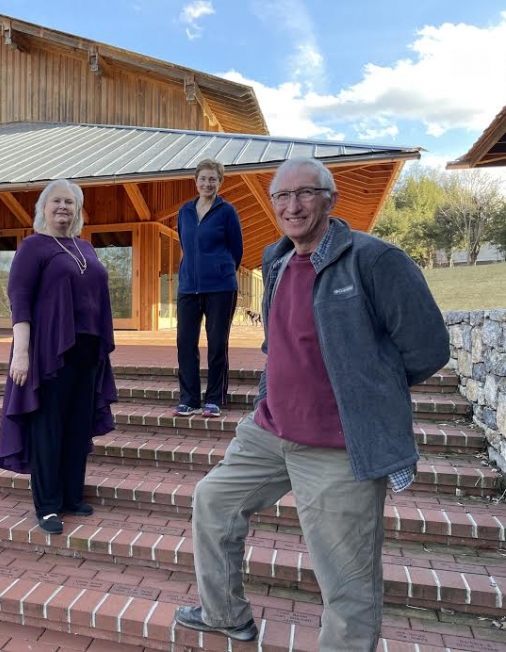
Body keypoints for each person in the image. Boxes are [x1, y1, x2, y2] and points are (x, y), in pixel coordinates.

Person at [174, 157, 450, 650]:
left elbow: (428, 348)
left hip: (337, 447)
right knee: (213, 502)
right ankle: (225, 614)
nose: (292, 205)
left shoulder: (374, 260)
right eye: (282, 196)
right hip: (269, 432)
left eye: (305, 193)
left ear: (330, 199)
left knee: (347, 583)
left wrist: (365, 392)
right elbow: (278, 345)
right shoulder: (276, 261)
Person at [0, 179, 118, 536]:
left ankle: (70, 496)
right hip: (49, 352)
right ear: (43, 208)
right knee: (48, 429)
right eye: (56, 201)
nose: (63, 207)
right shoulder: (33, 247)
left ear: (77, 210)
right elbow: (19, 303)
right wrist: (21, 355)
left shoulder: (86, 248)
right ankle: (47, 506)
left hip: (87, 351)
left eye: (70, 202)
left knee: (77, 426)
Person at [173, 159, 243, 418]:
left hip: (221, 288)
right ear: (196, 181)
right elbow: (185, 244)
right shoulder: (185, 212)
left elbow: (237, 250)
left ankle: (214, 398)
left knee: (216, 343)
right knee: (185, 343)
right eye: (203, 178)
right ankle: (189, 399)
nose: (207, 183)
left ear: (220, 182)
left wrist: (220, 270)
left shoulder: (227, 211)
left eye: (212, 179)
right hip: (188, 287)